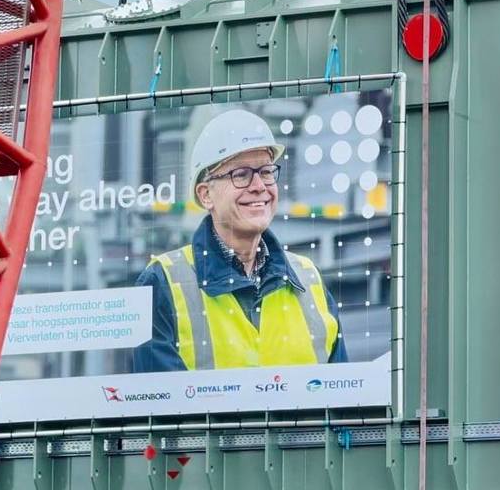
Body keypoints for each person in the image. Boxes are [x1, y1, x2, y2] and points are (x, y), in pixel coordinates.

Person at [132, 108, 349, 372]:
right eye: (241, 174)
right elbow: (158, 406)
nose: (259, 185)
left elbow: (340, 400)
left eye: (267, 172)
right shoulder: (163, 282)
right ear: (206, 195)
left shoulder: (308, 279)